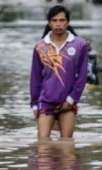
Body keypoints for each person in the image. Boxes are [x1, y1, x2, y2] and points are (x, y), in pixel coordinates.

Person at [30, 5, 88, 140]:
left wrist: (71, 99)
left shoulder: (79, 45)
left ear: (68, 22)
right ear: (49, 23)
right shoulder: (40, 46)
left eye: (62, 20)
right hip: (45, 102)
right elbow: (35, 78)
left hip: (68, 102)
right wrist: (34, 104)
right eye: (54, 20)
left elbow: (82, 76)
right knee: (43, 145)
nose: (58, 24)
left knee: (66, 147)